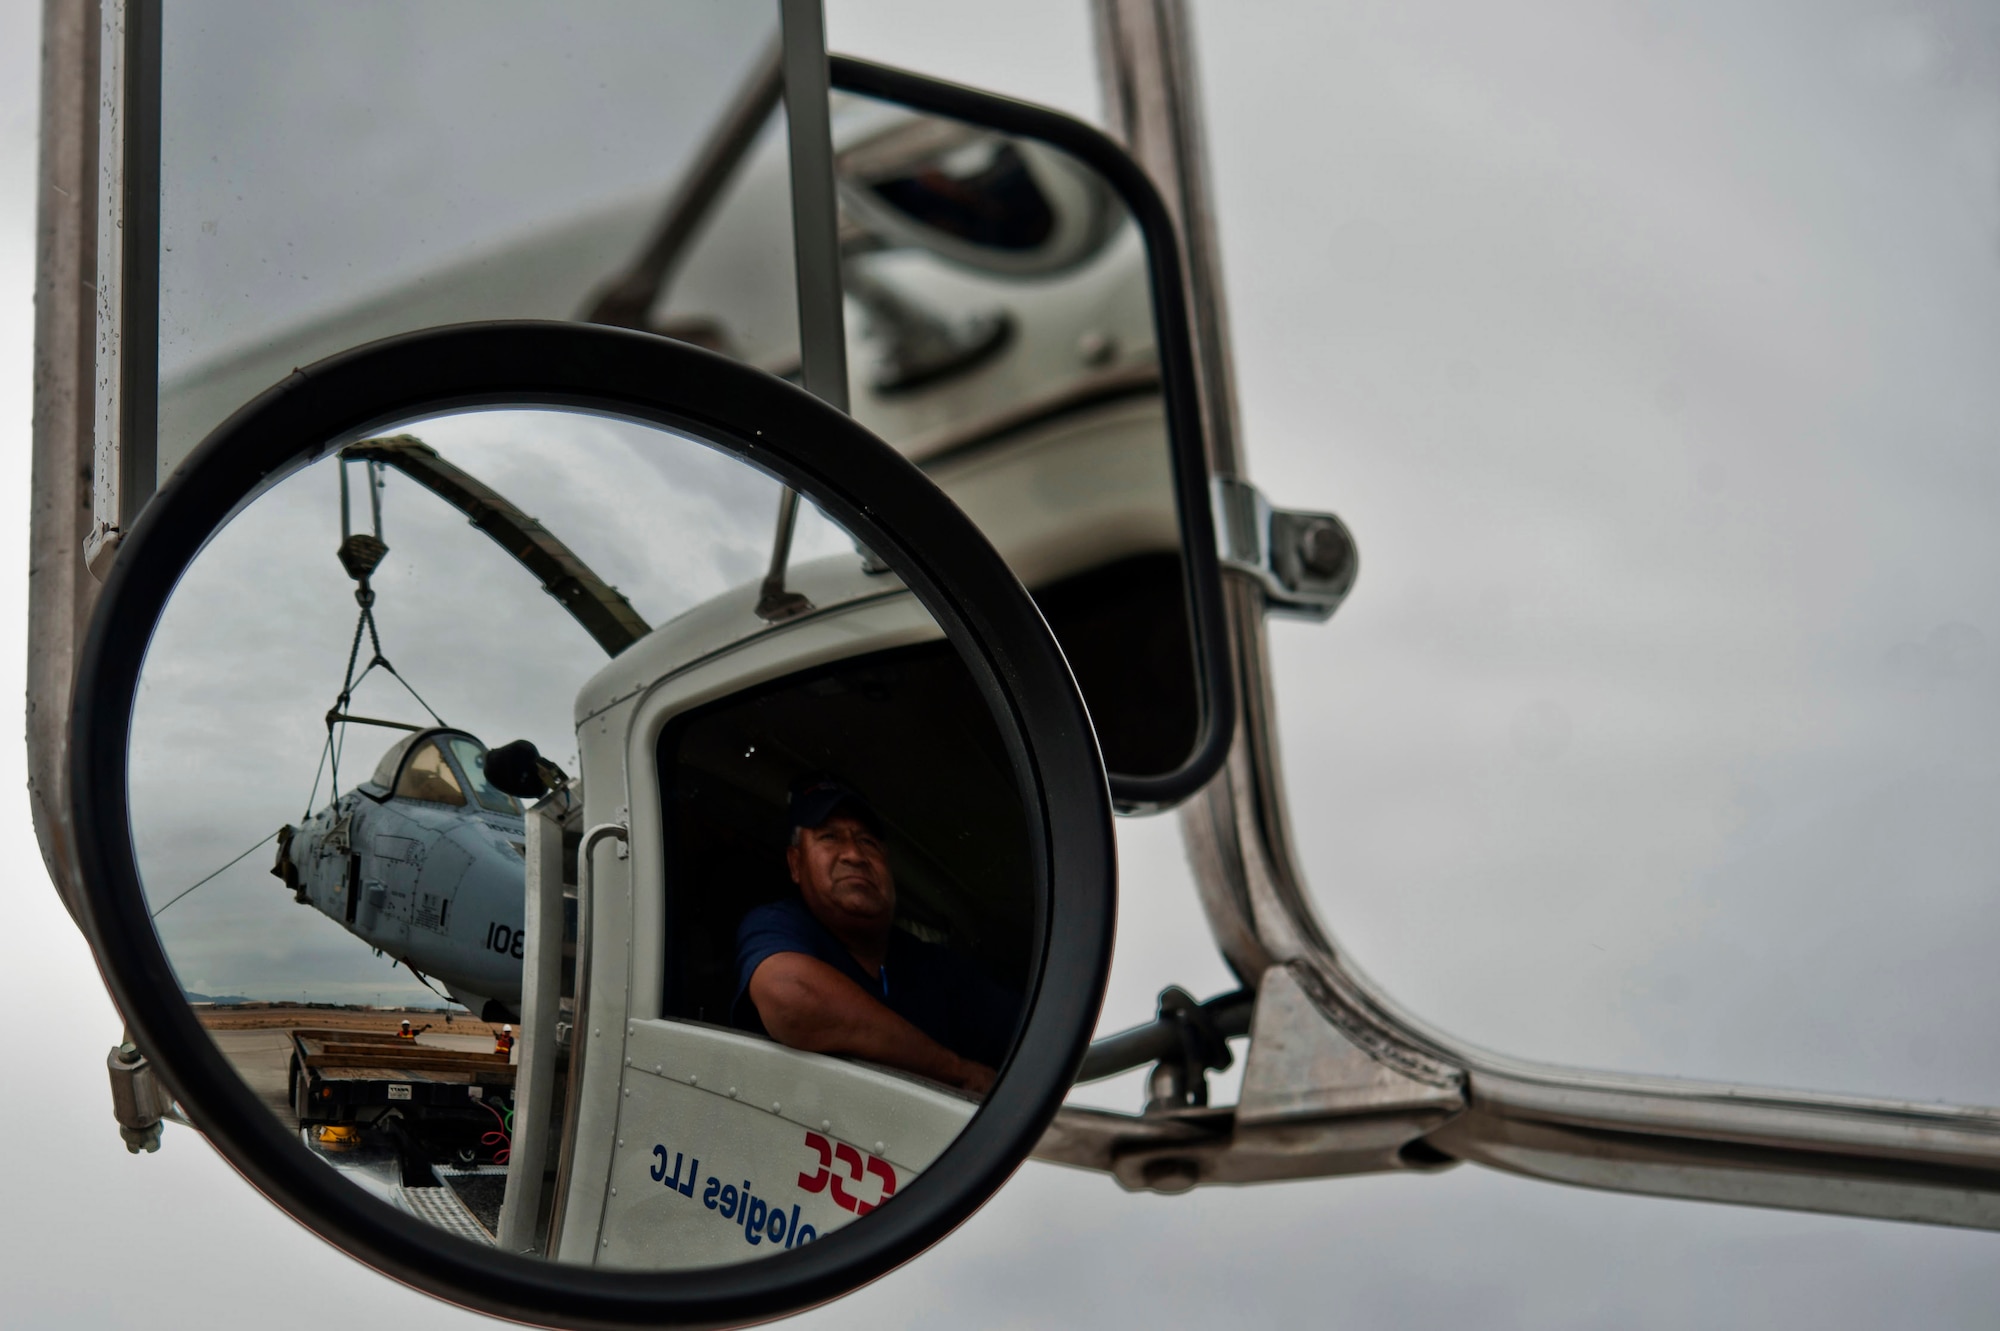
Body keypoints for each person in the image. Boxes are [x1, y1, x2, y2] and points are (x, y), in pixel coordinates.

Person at [733, 777, 1020, 1095]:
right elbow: (791, 998)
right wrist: (955, 1071)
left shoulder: (931, 964)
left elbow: (1025, 1033)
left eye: (868, 842)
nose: (854, 854)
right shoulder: (779, 925)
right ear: (796, 863)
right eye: (830, 837)